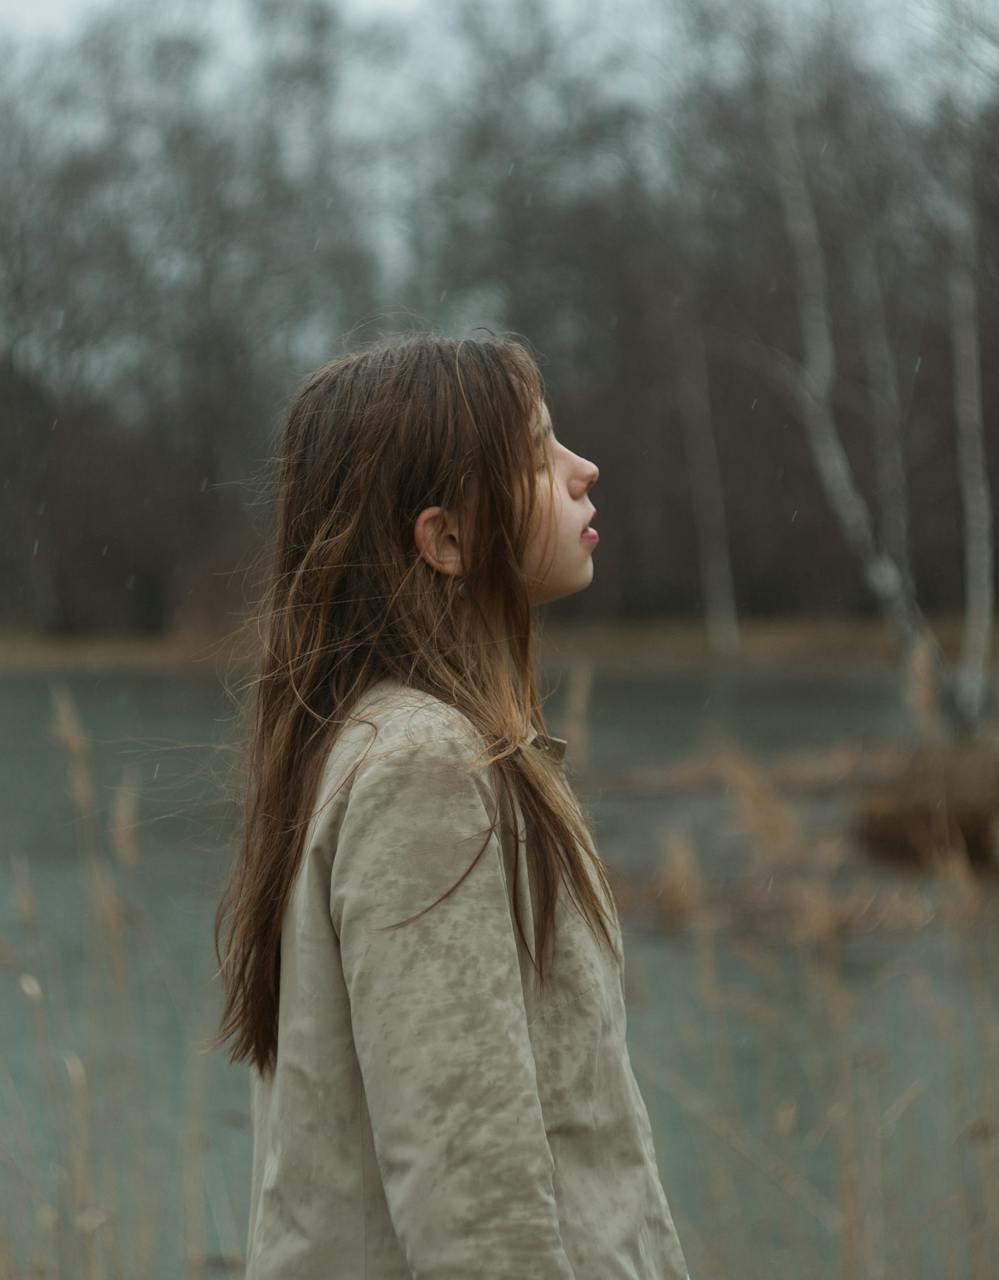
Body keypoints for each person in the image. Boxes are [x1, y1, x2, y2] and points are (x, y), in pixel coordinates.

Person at [212, 332, 690, 1278]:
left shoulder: (384, 746)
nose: (583, 469)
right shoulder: (427, 772)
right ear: (445, 538)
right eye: (537, 454)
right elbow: (472, 1198)